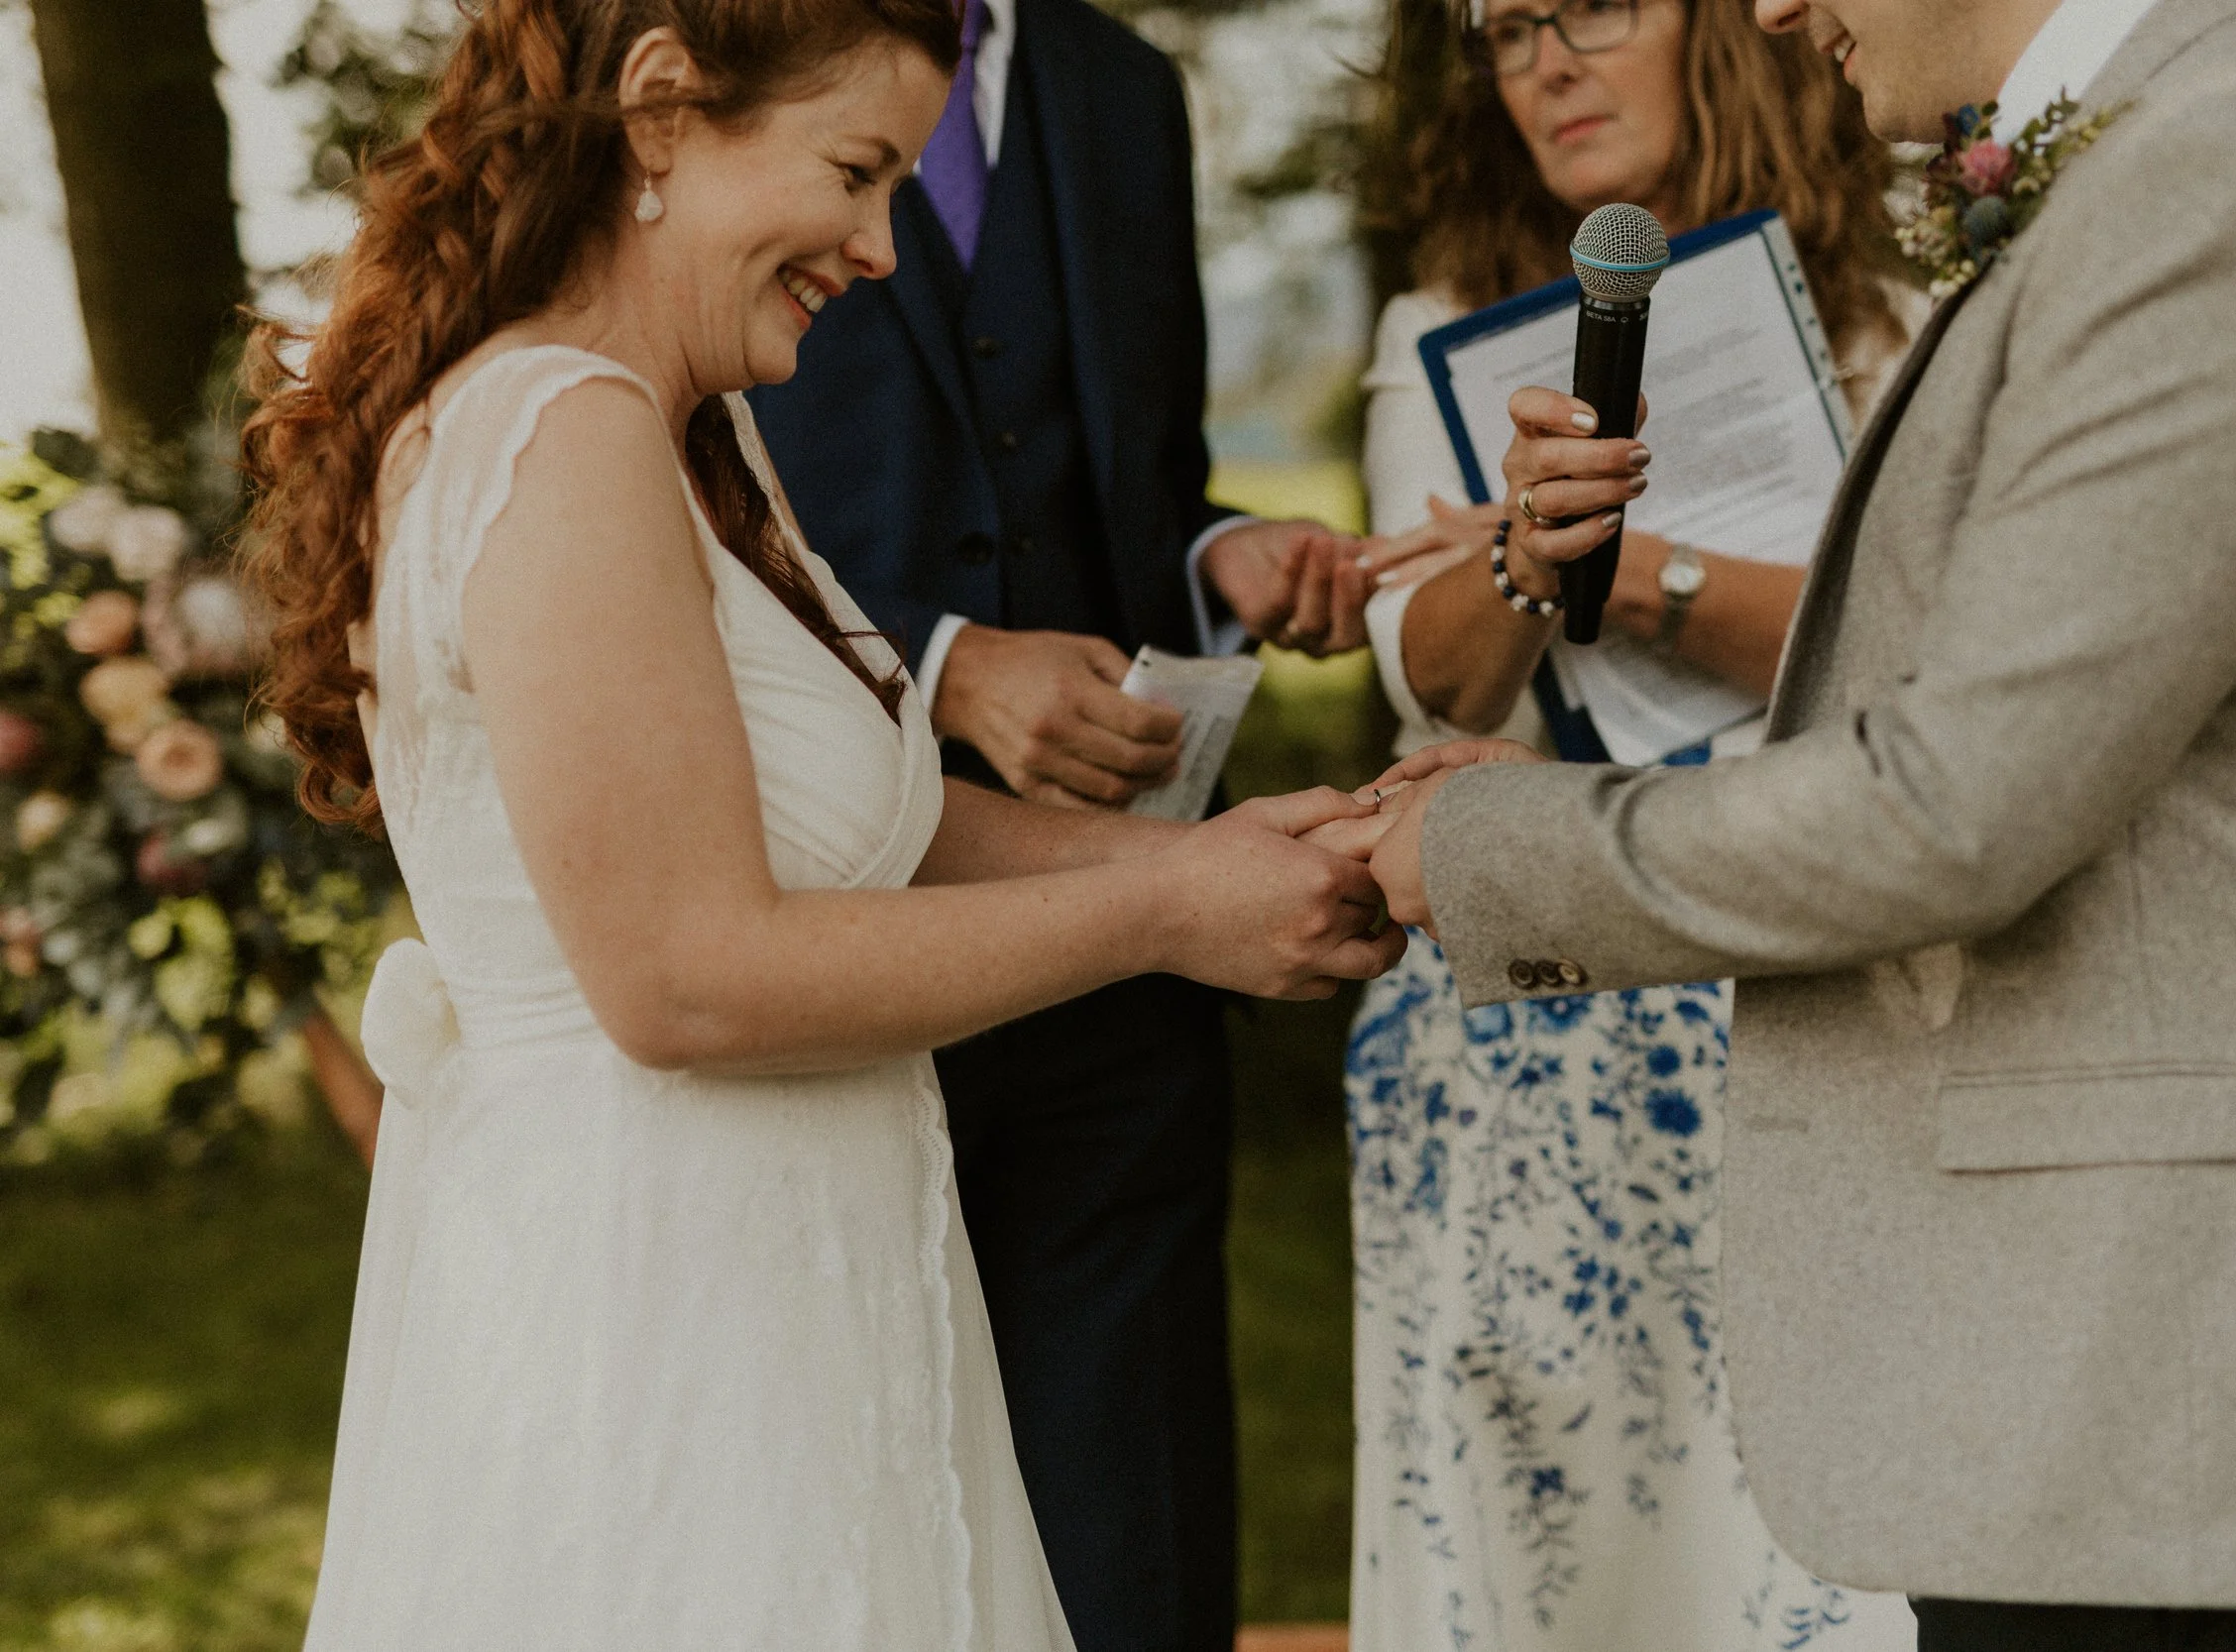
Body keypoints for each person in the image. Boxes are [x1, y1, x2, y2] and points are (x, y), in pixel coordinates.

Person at [236, 3, 1404, 1646]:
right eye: (856, 174)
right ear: (658, 112)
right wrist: (1162, 919)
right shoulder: (560, 435)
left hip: (804, 1290)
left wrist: (1229, 856)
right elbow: (687, 974)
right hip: (665, 1332)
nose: (877, 247)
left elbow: (872, 825)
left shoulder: (696, 432)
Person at [1360, 0, 2236, 1639]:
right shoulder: (2164, 152)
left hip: (2160, 1364)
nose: (1765, 6)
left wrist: (1500, 853)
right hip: (2109, 1364)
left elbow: (1960, 807)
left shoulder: (2224, 169)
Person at [742, 2, 1370, 1643]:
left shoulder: (1122, 87)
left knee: (1133, 1512)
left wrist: (1215, 558)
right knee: (864, 1500)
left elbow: (1126, 475)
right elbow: (671, 499)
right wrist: (942, 670)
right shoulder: (717, 54)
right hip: (843, 923)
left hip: (1137, 934)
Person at [1338, 0, 1920, 1646]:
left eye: (1590, 5)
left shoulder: (1894, 306)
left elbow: (1932, 647)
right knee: (1554, 1563)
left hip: (1798, 978)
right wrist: (1523, 552)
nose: (1548, 63)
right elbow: (1439, 674)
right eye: (1504, 28)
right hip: (1528, 1018)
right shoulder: (1446, 320)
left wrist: (1638, 570)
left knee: (1808, 1552)